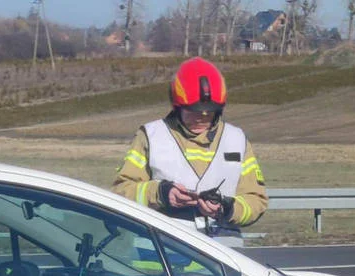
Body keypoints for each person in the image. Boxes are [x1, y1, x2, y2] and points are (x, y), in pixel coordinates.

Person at [112, 57, 267, 249]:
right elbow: (121, 191)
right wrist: (160, 193)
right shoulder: (151, 136)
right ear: (177, 107)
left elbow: (256, 201)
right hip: (159, 258)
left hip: (224, 259)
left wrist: (226, 208)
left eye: (208, 113)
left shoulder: (237, 139)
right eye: (193, 112)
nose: (201, 118)